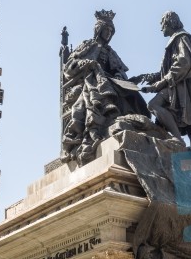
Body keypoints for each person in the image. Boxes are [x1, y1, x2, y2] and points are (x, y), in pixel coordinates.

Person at [62, 10, 150, 165]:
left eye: (111, 31)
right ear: (99, 29)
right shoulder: (87, 45)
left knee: (131, 94)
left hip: (110, 82)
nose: (108, 34)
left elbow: (119, 70)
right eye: (106, 30)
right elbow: (69, 67)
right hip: (90, 80)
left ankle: (125, 119)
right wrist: (86, 64)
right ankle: (100, 124)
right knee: (97, 86)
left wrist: (120, 77)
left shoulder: (111, 52)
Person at [131, 11, 191, 149]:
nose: (161, 28)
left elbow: (183, 63)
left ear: (170, 23)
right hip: (182, 86)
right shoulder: (180, 39)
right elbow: (168, 70)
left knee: (154, 105)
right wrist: (149, 78)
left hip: (183, 87)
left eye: (162, 24)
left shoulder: (181, 38)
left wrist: (159, 85)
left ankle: (178, 141)